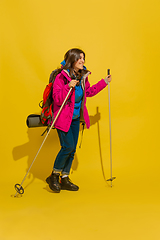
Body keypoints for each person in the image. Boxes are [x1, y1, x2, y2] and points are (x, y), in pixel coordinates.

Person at [46, 48, 112, 193]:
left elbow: (88, 92)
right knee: (67, 147)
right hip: (63, 118)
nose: (82, 61)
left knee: (72, 149)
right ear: (72, 60)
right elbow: (57, 99)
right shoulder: (61, 78)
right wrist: (67, 86)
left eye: (83, 58)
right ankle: (54, 176)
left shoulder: (83, 76)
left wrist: (104, 83)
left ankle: (65, 177)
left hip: (75, 119)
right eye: (79, 58)